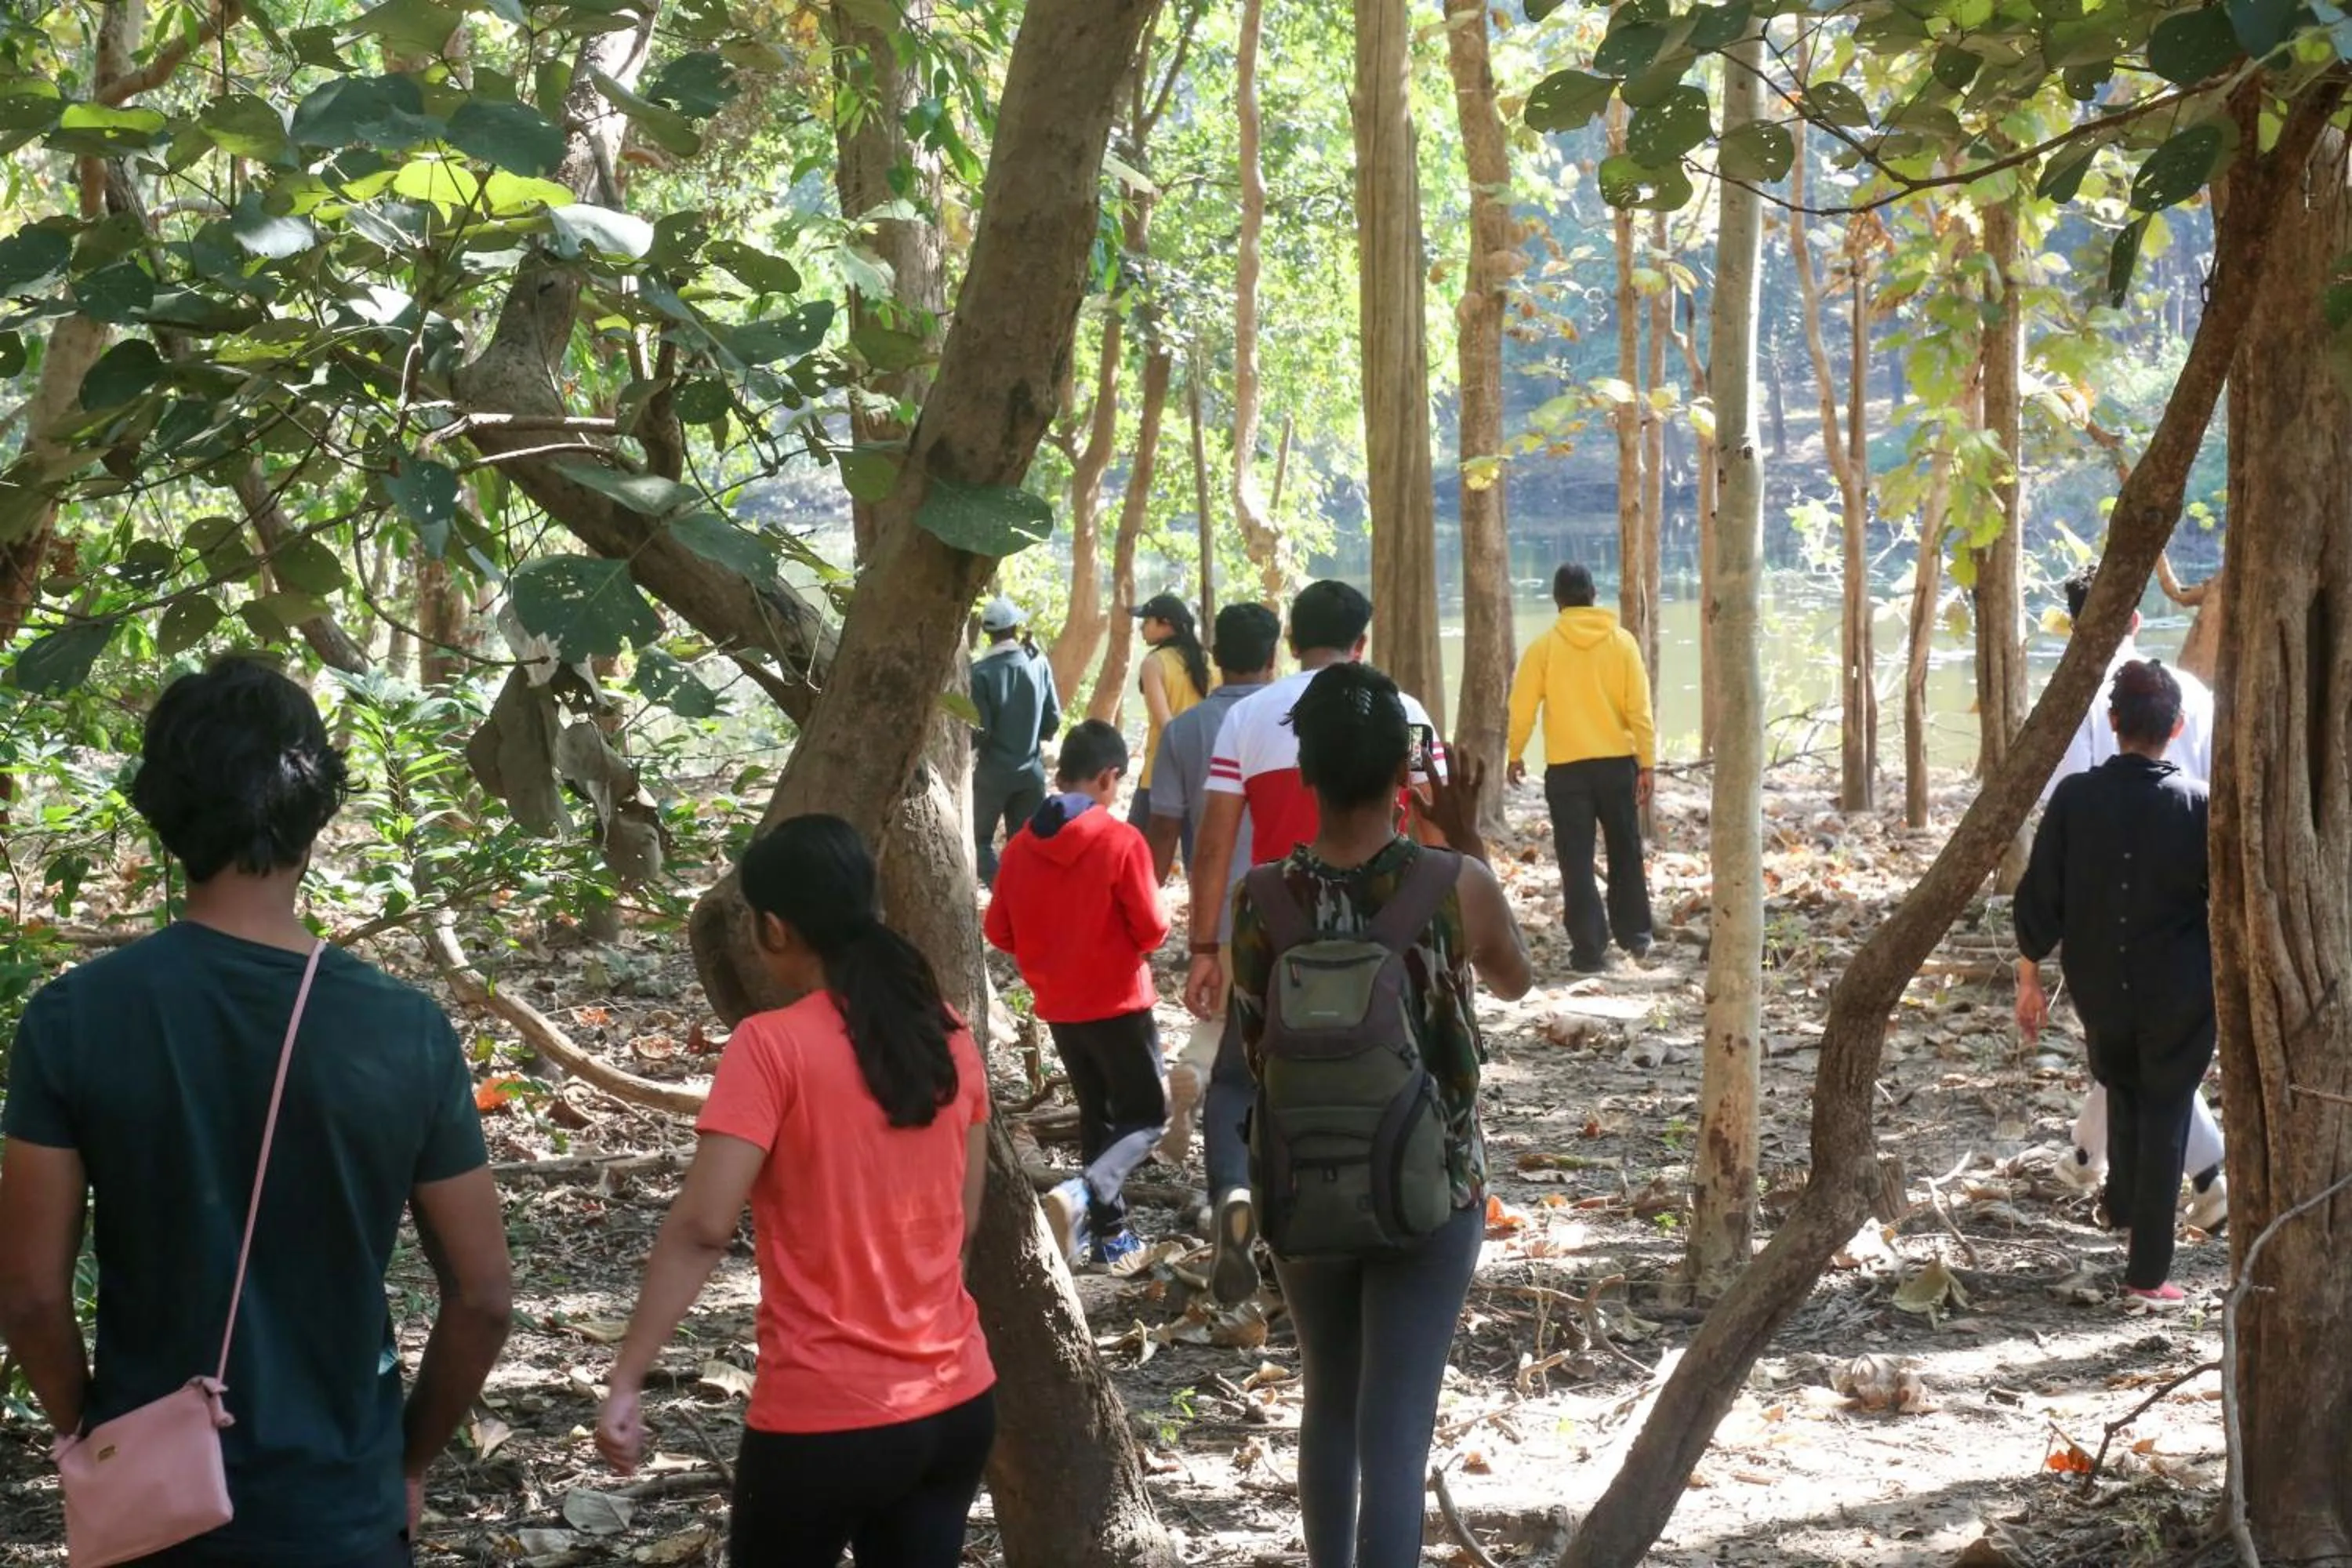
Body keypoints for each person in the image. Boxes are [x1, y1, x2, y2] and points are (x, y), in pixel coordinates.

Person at [0, 658, 512, 1566]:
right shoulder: (405, 1030)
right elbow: (482, 1297)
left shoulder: (74, 1018)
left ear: (160, 809)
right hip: (340, 1507)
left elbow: (33, 1295)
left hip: (154, 1510)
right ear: (317, 810)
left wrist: (99, 1432)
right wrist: (410, 1458)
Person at [596, 815, 995, 1566]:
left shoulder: (769, 1046)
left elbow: (702, 1228)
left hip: (825, 1420)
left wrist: (627, 1377)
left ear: (775, 927)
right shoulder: (950, 1034)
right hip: (954, 1404)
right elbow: (963, 1223)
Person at [1228, 663, 1532, 1568]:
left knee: (1330, 1400)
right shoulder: (1452, 882)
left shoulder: (1259, 898)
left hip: (1300, 1180)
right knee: (1395, 1432)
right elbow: (1516, 977)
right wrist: (1469, 834)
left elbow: (1253, 1043)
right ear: (1406, 772)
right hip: (1432, 1184)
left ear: (1307, 772)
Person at [1182, 580, 1447, 1299]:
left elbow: (1214, 843)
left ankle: (1237, 1195)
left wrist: (1205, 946)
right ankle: (1388, 1201)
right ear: (1362, 641)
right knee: (1400, 1071)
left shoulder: (1251, 715)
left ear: (1291, 640)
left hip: (1279, 923)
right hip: (1393, 928)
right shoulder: (1405, 710)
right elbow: (1436, 825)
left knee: (1244, 1078)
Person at [2015, 660, 2212, 1310]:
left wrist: (2029, 976)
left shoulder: (2075, 797)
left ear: (2113, 722)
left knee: (2125, 1089)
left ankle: (2124, 1208)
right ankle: (2148, 1276)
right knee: (2164, 1117)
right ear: (2177, 727)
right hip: (2178, 991)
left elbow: (2040, 895)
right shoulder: (2199, 804)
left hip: (2100, 985)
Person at [2039, 563, 2226, 1229]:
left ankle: (2208, 1174)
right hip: (2191, 883)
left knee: (2127, 1046)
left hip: (2113, 893)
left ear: (2077, 624)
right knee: (2137, 1045)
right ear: (2137, 617)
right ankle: (2090, 1158)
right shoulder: (2192, 694)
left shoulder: (2080, 699)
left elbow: (2061, 799)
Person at [985, 720, 1171, 1271]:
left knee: (1099, 1115)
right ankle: (1084, 1194)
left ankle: (1110, 1234)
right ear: (1109, 778)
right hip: (1119, 1003)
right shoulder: (1120, 841)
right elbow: (1154, 928)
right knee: (1148, 1118)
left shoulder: (1019, 847)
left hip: (1061, 1007)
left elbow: (998, 931)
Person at [1142, 603, 1280, 1269]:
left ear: (1214, 655)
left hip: (1223, 922)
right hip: (1301, 916)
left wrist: (1148, 908)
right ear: (1274, 655)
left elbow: (1166, 832)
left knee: (1233, 1072)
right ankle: (1287, 1200)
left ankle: (1232, 1190)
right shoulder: (1291, 720)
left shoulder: (1189, 730)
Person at [1506, 562, 1657, 974]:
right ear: (1594, 594)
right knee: (1626, 849)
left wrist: (1515, 753)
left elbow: (1521, 709)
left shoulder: (1544, 647)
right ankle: (1636, 937)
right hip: (1617, 765)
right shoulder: (1622, 643)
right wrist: (1647, 764)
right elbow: (1640, 711)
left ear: (1557, 601)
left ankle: (1589, 951)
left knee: (1575, 858)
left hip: (1567, 771)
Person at [970, 595, 1060, 888]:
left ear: (987, 632)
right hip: (1031, 773)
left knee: (977, 842)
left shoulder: (980, 674)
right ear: (1016, 629)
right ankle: (1024, 900)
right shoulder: (1039, 664)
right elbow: (1053, 721)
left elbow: (980, 731)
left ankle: (1001, 890)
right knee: (1030, 846)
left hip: (992, 774)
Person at [1127, 592, 1210, 853]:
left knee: (1135, 852)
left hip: (1161, 769)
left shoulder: (1154, 663)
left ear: (1165, 624)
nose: (1141, 627)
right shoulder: (1208, 661)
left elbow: (1167, 726)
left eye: (1146, 621)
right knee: (1194, 858)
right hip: (1202, 771)